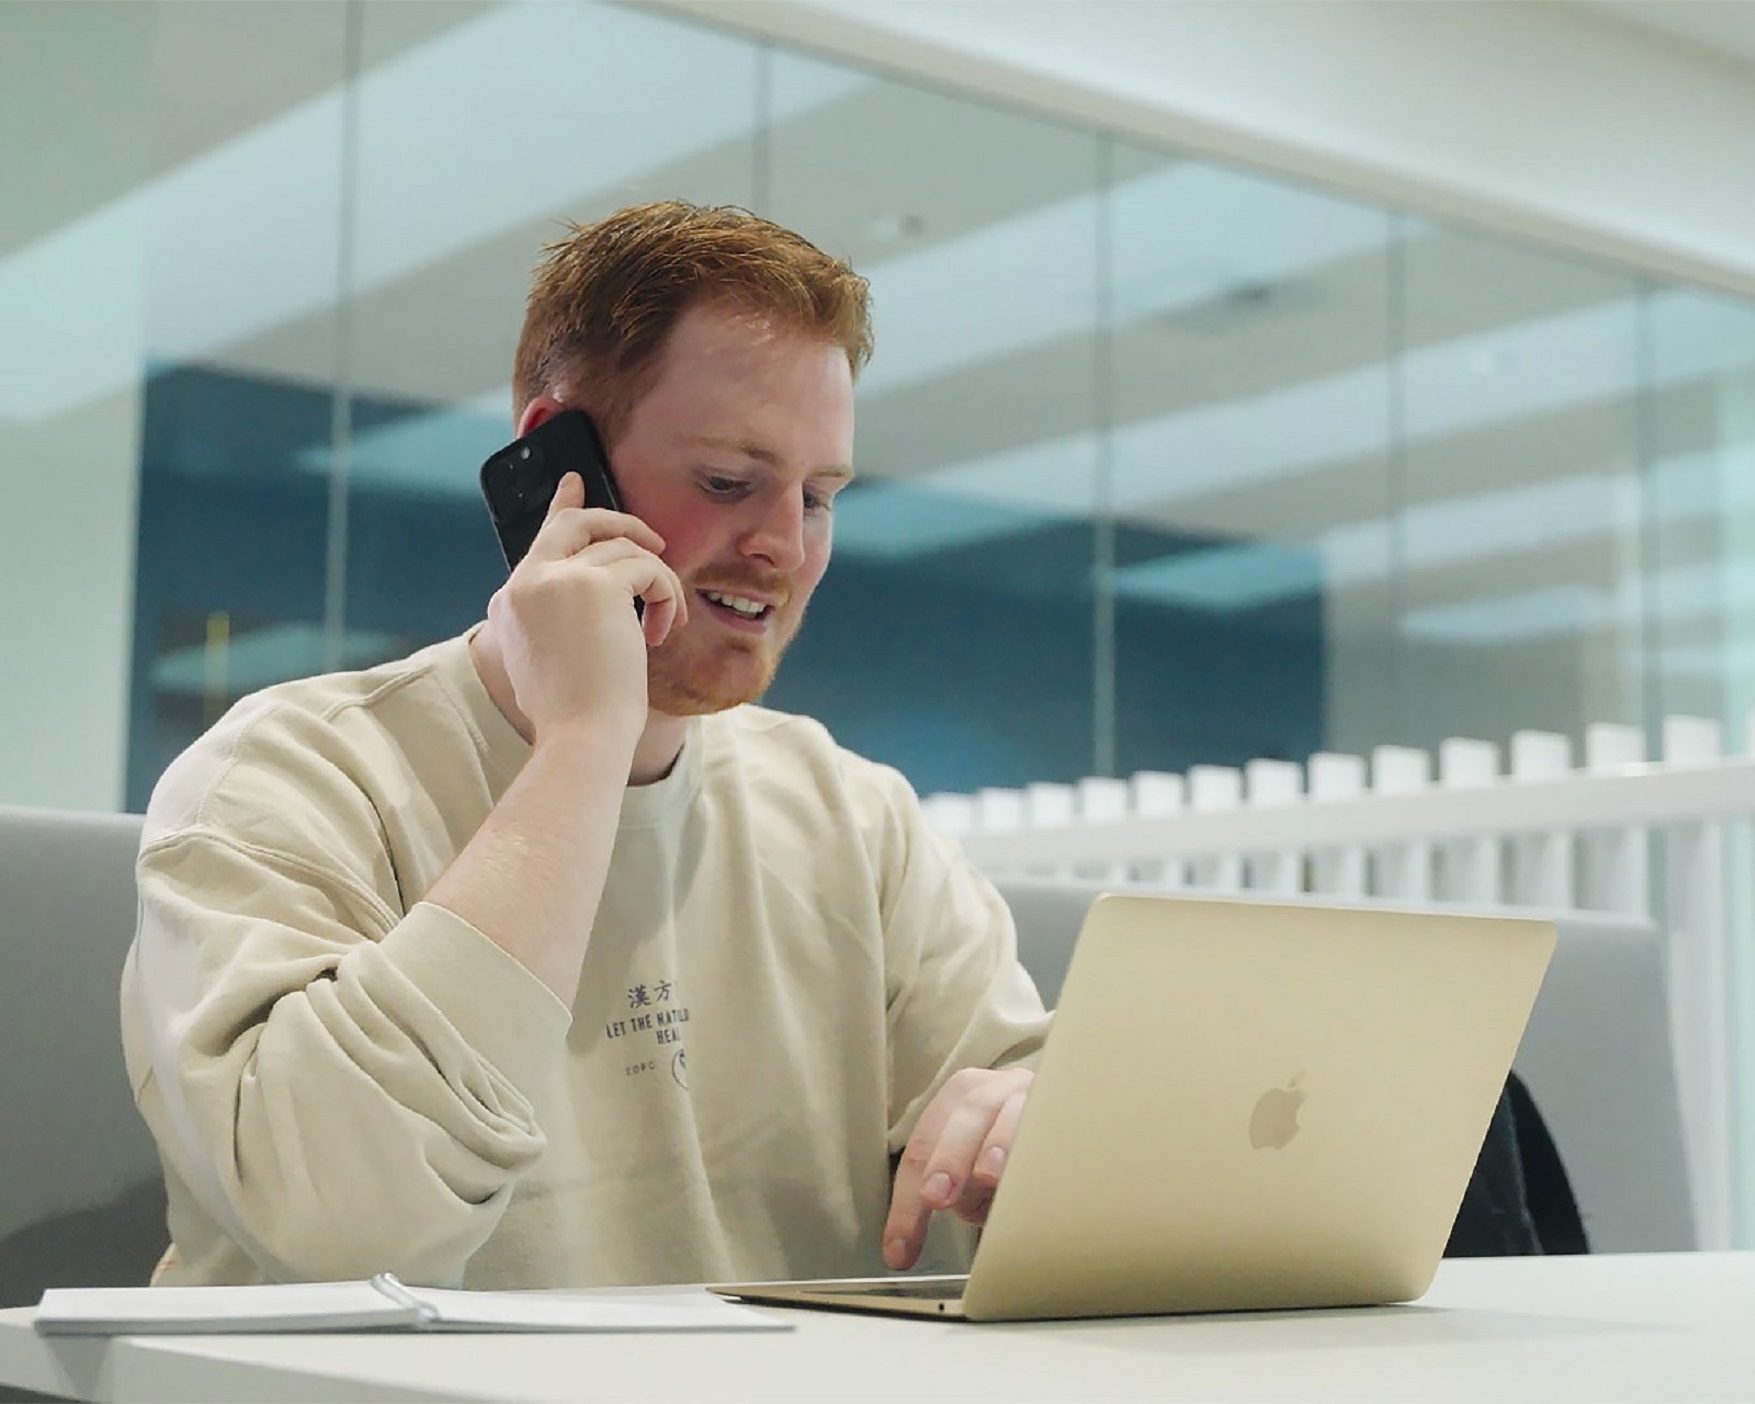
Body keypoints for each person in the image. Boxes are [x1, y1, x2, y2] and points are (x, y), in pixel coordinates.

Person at [119, 202, 1050, 1291]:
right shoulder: (286, 778)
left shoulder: (856, 821)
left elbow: (1033, 1113)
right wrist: (582, 741)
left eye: (818, 497)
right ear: (557, 458)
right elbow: (344, 1226)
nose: (783, 548)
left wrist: (1034, 1125)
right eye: (727, 481)